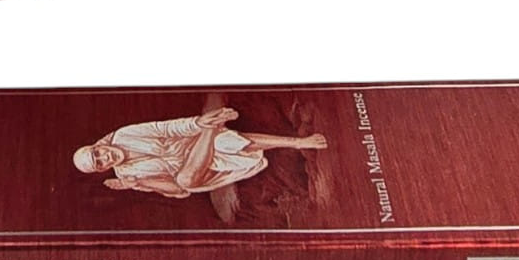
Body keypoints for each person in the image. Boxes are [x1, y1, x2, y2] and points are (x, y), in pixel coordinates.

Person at [73, 106, 328, 199]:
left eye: (99, 153)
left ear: (99, 145)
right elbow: (178, 190)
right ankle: (210, 130)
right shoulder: (126, 176)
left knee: (226, 143)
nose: (106, 157)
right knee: (185, 180)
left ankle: (298, 142)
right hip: (199, 173)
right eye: (100, 163)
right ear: (103, 170)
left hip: (197, 144)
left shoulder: (124, 135)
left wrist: (197, 123)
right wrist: (138, 183)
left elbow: (167, 128)